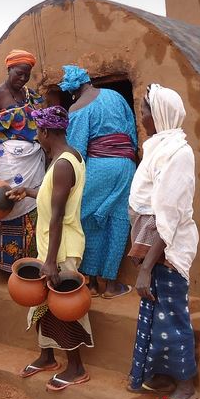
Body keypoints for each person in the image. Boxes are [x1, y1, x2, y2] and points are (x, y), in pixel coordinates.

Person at [7, 107, 92, 391]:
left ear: (45, 132)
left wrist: (51, 261)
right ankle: (46, 356)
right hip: (52, 244)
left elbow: (57, 216)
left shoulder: (65, 163)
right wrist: (28, 192)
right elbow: (51, 197)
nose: (37, 137)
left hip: (62, 246)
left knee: (62, 305)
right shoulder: (61, 159)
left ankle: (76, 367)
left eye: (38, 132)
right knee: (42, 303)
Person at [127, 84, 199, 399]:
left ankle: (186, 385)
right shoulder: (159, 149)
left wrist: (144, 269)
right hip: (158, 251)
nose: (142, 117)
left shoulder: (178, 153)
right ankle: (162, 374)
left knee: (172, 317)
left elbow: (168, 216)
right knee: (156, 314)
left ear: (159, 114)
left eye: (145, 111)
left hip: (169, 250)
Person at [59, 65, 137, 298]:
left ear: (72, 90)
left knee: (87, 220)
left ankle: (91, 284)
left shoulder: (77, 109)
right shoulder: (116, 96)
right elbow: (132, 132)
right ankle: (111, 286)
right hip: (125, 166)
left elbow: (78, 150)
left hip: (97, 168)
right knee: (118, 222)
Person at [0, 49, 46, 272]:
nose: (23, 78)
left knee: (32, 206)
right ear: (9, 69)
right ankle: (7, 267)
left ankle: (30, 265)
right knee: (5, 205)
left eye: (27, 74)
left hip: (32, 162)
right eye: (19, 73)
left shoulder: (28, 94)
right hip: (8, 164)